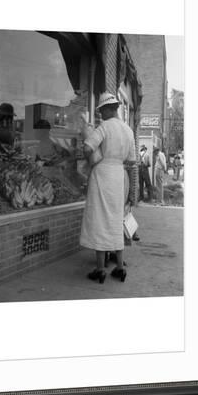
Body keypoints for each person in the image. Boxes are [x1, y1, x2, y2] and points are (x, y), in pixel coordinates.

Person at [80, 92, 136, 283]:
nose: (101, 113)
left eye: (102, 110)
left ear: (107, 109)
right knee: (114, 220)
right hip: (118, 176)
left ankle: (100, 269)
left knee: (99, 220)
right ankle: (120, 268)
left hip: (102, 175)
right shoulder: (128, 130)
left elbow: (88, 147)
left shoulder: (104, 127)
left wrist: (90, 159)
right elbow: (132, 160)